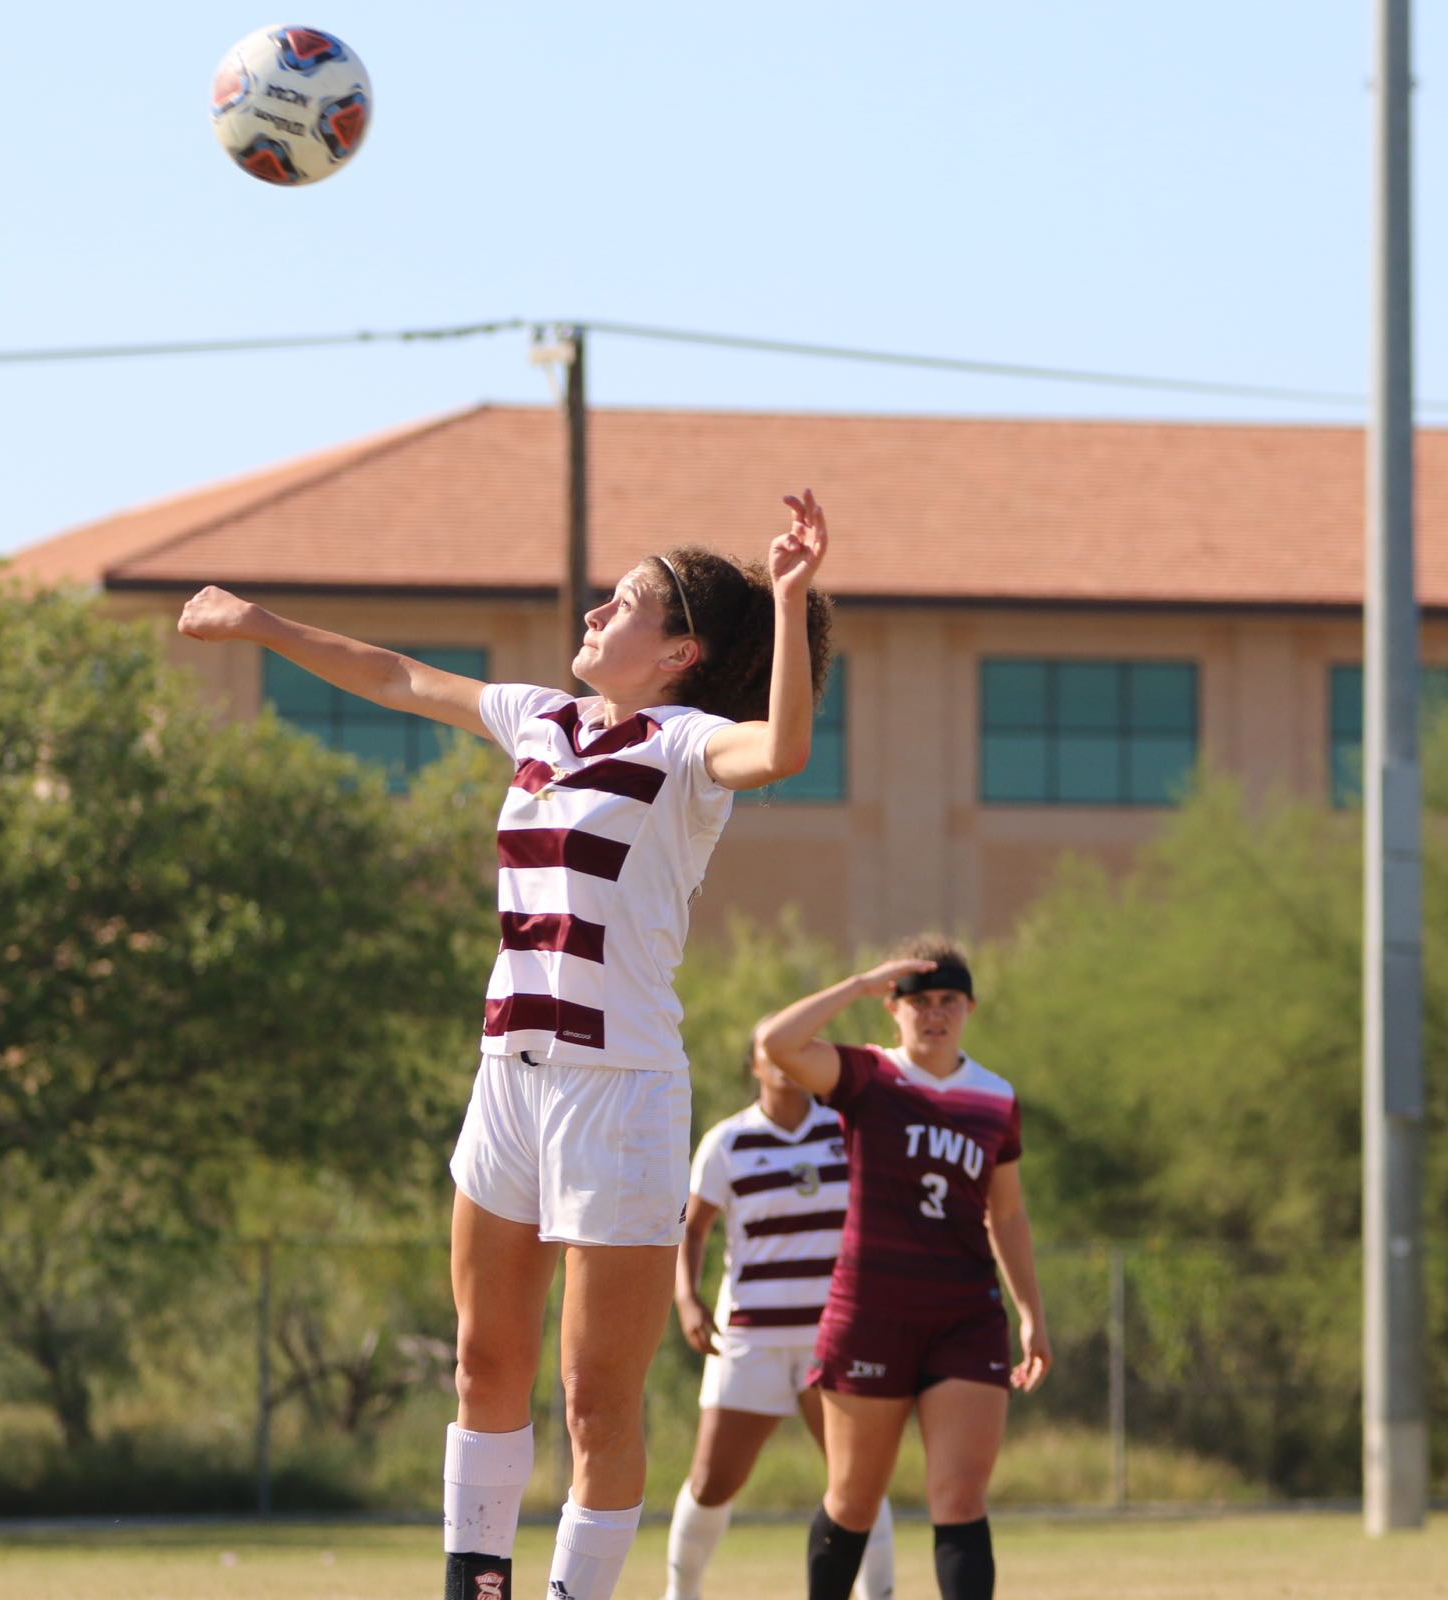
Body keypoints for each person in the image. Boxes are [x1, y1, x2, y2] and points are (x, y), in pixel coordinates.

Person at [177, 492, 835, 1600]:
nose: (593, 609)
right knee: (484, 1362)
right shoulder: (539, 717)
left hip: (617, 1094)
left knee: (593, 1400)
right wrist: (260, 625)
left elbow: (786, 748)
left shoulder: (683, 748)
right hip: (507, 1078)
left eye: (623, 602)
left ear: (679, 651)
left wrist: (789, 597)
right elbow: (394, 674)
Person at [755, 939, 1051, 1600]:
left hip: (965, 1316)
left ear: (970, 1007)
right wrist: (859, 981)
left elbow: (1005, 1216)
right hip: (870, 1314)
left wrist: (1032, 1313)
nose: (935, 1014)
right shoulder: (867, 1075)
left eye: (948, 1000)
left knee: (960, 1498)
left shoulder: (996, 1099)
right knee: (854, 1501)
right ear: (896, 1008)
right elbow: (776, 1042)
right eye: (919, 1001)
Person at [661, 1040, 895, 1600]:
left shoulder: (844, 1127)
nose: (786, 1061)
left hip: (833, 1337)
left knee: (856, 1477)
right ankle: (680, 1592)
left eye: (798, 1050)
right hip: (750, 1337)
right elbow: (692, 1229)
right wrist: (687, 1299)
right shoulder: (727, 1141)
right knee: (713, 1481)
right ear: (755, 1067)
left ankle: (880, 1592)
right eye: (773, 1052)